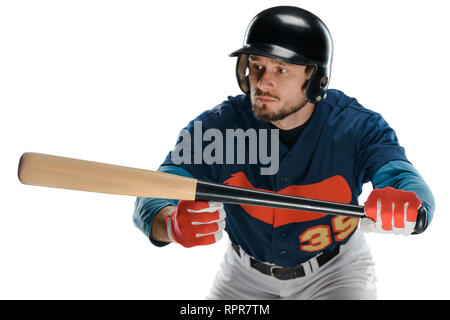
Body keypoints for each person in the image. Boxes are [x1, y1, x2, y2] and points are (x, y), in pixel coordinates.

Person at [133, 6, 435, 299]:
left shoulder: (357, 126)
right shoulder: (219, 128)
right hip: (244, 274)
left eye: (281, 69)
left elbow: (405, 179)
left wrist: (409, 203)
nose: (263, 82)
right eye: (257, 65)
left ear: (315, 78)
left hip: (336, 270)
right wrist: (170, 224)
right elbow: (154, 191)